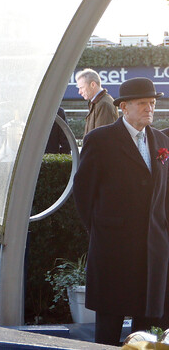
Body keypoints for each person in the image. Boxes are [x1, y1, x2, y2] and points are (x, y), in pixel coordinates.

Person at [73, 77, 169, 345]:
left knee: (151, 328)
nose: (149, 108)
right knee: (108, 327)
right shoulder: (100, 140)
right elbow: (83, 193)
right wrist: (102, 231)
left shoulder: (162, 140)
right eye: (142, 103)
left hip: (154, 251)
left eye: (152, 103)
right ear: (124, 107)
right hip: (114, 250)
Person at [75, 68, 118, 135]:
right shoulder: (98, 103)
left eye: (81, 88)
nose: (79, 92)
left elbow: (102, 138)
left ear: (93, 85)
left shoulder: (104, 104)